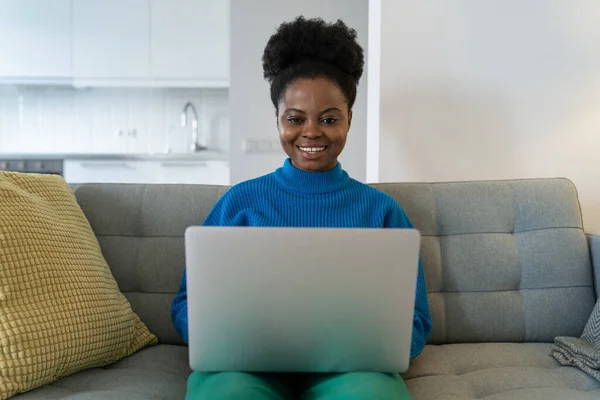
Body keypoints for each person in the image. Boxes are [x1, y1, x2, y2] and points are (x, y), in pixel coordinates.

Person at [171, 16, 432, 400]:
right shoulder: (240, 203)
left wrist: (377, 347)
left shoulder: (382, 212)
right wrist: (221, 336)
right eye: (295, 119)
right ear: (278, 120)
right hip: (247, 365)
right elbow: (185, 303)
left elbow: (417, 318)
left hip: (351, 369)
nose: (311, 132)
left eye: (329, 119)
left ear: (349, 121)